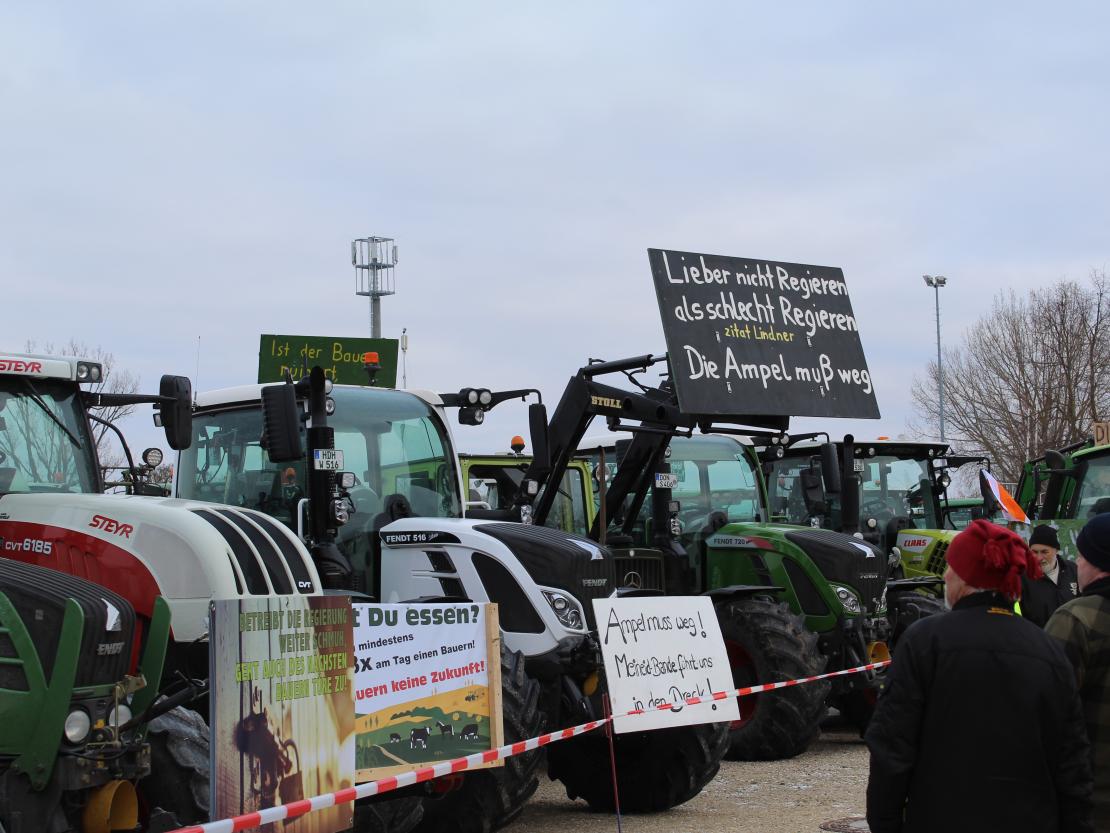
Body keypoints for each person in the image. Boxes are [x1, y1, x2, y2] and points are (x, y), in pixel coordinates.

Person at [865, 519, 1092, 833]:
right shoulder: (1048, 651)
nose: (945, 576)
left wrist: (886, 823)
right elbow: (1072, 763)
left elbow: (892, 747)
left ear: (963, 576)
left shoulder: (924, 642)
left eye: (950, 568)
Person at [1046, 512, 1110, 828]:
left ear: (1095, 562)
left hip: (1091, 804)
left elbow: (1046, 712)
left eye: (1081, 557)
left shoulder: (1077, 619)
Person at [1020, 524, 1079, 627]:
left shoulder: (1072, 570)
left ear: (1056, 550)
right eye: (1034, 552)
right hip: (1039, 639)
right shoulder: (1023, 576)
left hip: (1072, 637)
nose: (1039, 558)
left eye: (1044, 552)